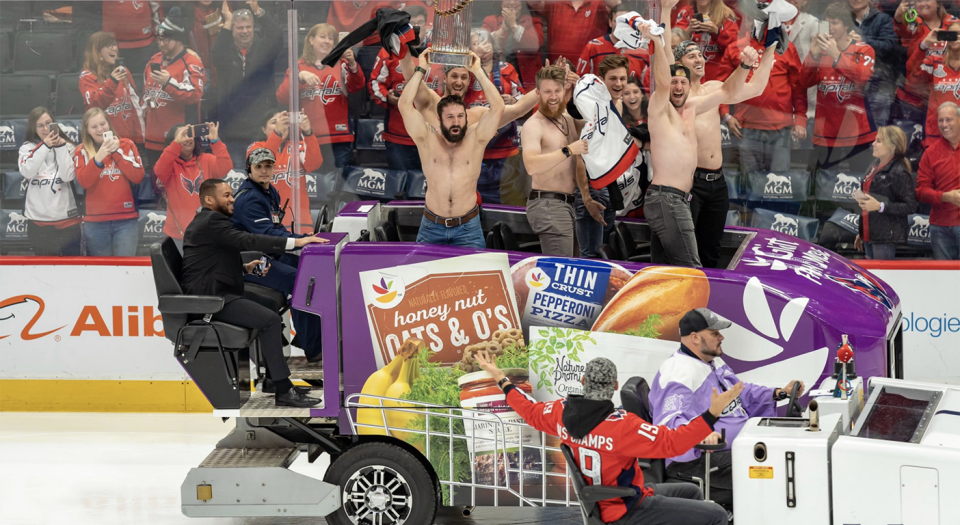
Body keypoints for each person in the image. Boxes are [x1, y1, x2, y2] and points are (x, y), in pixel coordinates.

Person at [473, 350, 736, 525]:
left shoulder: (559, 412)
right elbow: (673, 443)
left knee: (692, 490)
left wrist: (501, 379)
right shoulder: (624, 426)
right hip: (626, 508)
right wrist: (711, 414)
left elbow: (528, 410)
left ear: (584, 380)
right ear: (615, 387)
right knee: (716, 515)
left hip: (604, 500)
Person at [180, 177, 326, 407]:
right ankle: (283, 390)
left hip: (221, 290)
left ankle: (271, 377)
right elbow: (247, 239)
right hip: (214, 299)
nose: (232, 200)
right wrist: (296, 243)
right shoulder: (211, 221)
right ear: (209, 200)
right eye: (226, 196)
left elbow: (210, 260)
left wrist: (243, 268)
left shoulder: (209, 222)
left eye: (232, 194)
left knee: (270, 307)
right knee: (268, 320)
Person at [642, 1, 766, 269]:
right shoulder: (664, 104)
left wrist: (768, 51)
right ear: (677, 67)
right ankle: (677, 310)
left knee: (691, 260)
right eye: (691, 57)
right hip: (673, 193)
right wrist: (663, 14)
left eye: (701, 55)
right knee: (681, 265)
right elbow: (663, 77)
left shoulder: (697, 101)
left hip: (699, 187)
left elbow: (736, 91)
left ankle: (684, 309)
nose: (699, 60)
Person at [649, 308, 805, 514]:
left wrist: (778, 392)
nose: (721, 337)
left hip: (729, 450)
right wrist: (701, 434)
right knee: (776, 468)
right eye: (714, 333)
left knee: (786, 455)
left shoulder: (711, 361)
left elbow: (740, 391)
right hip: (696, 462)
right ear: (695, 337)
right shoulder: (678, 373)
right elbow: (669, 425)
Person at [399, 51, 505, 248]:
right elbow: (404, 105)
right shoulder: (426, 138)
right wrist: (421, 68)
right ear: (439, 119)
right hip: (431, 227)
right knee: (425, 278)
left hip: (468, 229)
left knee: (472, 280)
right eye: (450, 117)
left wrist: (478, 71)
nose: (456, 122)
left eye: (460, 117)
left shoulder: (476, 139)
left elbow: (498, 107)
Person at [231, 148, 325, 363]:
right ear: (249, 169)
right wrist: (299, 241)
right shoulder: (249, 200)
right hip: (249, 260)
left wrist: (302, 237)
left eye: (268, 166)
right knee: (299, 280)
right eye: (258, 167)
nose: (264, 171)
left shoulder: (269, 191)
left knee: (310, 270)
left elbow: (275, 229)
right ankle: (314, 350)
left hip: (268, 253)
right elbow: (265, 235)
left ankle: (307, 336)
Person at [800, 3, 877, 175]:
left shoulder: (864, 49)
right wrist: (813, 55)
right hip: (826, 133)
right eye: (827, 23)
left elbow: (862, 77)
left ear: (847, 24)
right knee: (823, 186)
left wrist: (836, 55)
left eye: (835, 23)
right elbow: (804, 82)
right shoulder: (820, 51)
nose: (830, 28)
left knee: (858, 185)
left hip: (857, 133)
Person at [277, 23, 366, 172]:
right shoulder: (298, 66)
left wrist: (352, 63)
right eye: (322, 37)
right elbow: (282, 97)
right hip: (309, 136)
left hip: (339, 136)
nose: (327, 41)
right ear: (311, 40)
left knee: (336, 185)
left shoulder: (341, 64)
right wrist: (299, 78)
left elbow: (357, 86)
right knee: (314, 185)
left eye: (331, 38)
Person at [716, 33, 807, 174]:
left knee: (778, 184)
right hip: (746, 127)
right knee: (750, 182)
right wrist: (725, 114)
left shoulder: (786, 47)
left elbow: (798, 86)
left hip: (781, 128)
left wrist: (800, 118)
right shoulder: (736, 48)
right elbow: (722, 84)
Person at [522, 65, 587, 256]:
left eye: (557, 91)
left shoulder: (566, 118)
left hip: (569, 204)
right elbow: (531, 165)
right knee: (561, 272)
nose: (553, 97)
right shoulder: (533, 125)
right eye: (547, 91)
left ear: (564, 90)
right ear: (538, 93)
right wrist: (567, 150)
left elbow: (598, 122)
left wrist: (582, 86)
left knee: (572, 270)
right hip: (548, 205)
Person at [369, 7, 441, 171]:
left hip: (434, 135)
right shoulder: (389, 51)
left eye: (420, 23)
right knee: (401, 191)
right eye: (411, 24)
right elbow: (375, 83)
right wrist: (388, 96)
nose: (416, 27)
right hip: (399, 136)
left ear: (427, 25)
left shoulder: (439, 51)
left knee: (433, 189)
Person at [213, 1, 283, 168]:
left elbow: (277, 36)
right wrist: (227, 23)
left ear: (253, 27)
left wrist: (258, 11)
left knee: (259, 176)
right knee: (236, 177)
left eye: (247, 27)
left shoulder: (264, 49)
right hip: (232, 131)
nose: (244, 31)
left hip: (258, 129)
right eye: (239, 28)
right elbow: (215, 54)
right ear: (232, 30)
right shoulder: (225, 51)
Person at [574, 55, 630, 258]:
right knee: (591, 259)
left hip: (607, 189)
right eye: (612, 79)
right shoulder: (593, 109)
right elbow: (581, 156)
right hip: (592, 191)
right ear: (601, 80)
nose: (618, 84)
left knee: (604, 257)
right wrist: (587, 198)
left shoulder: (617, 105)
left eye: (622, 79)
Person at [74, 107, 145, 257]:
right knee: (101, 272)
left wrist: (116, 151)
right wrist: (99, 157)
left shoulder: (127, 145)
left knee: (126, 269)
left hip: (126, 221)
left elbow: (138, 176)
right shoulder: (81, 151)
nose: (100, 129)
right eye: (94, 126)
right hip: (95, 222)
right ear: (87, 131)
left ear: (109, 124)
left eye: (103, 124)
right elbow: (84, 181)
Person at [469, 28, 527, 204]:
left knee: (506, 202)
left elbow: (523, 97)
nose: (483, 47)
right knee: (474, 200)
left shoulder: (507, 69)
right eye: (476, 43)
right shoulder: (465, 71)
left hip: (505, 149)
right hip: (475, 149)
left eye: (486, 42)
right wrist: (474, 61)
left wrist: (513, 100)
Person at [153, 122, 233, 251]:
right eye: (182, 135)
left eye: (190, 134)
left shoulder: (206, 160)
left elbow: (225, 167)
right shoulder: (170, 164)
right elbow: (159, 170)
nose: (187, 138)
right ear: (174, 140)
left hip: (207, 233)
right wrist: (176, 144)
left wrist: (215, 140)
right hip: (178, 236)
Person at [143, 7, 206, 168]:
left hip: (181, 139)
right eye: (159, 39)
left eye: (166, 39)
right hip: (153, 140)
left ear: (178, 39)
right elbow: (145, 93)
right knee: (158, 187)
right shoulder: (153, 61)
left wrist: (168, 82)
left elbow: (194, 95)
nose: (161, 43)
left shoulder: (192, 62)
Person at [245, 110, 322, 233]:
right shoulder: (255, 147)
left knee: (301, 252)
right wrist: (277, 133)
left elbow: (315, 164)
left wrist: (308, 132)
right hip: (267, 219)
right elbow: (263, 161)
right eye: (274, 122)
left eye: (284, 123)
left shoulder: (298, 146)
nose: (280, 126)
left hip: (299, 219)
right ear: (263, 129)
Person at [18, 107, 81, 256]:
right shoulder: (27, 148)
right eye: (40, 125)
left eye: (48, 123)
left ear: (55, 123)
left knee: (72, 270)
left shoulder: (69, 146)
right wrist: (45, 146)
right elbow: (27, 171)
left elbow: (67, 176)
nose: (46, 128)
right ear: (34, 127)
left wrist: (59, 148)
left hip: (68, 221)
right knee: (44, 270)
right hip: (39, 224)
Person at [854, 126, 917, 259]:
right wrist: (862, 231)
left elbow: (911, 206)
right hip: (869, 233)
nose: (873, 144)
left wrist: (880, 206)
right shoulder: (874, 165)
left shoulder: (899, 172)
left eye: (879, 141)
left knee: (881, 276)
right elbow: (868, 202)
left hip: (885, 237)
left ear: (892, 146)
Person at [893, 0, 958, 124]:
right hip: (915, 92)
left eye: (927, 0)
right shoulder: (912, 20)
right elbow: (901, 29)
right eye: (919, 1)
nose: (923, 3)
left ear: (938, 3)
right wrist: (898, 17)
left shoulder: (953, 23)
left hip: (946, 91)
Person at [79, 32, 146, 145]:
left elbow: (135, 105)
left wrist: (139, 137)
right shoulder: (87, 76)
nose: (114, 48)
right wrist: (112, 82)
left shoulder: (123, 71)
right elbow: (95, 106)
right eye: (109, 45)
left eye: (115, 45)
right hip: (104, 143)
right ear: (97, 51)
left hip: (129, 141)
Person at [916, 102, 960, 259]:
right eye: (941, 120)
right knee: (944, 278)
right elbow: (921, 191)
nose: (944, 125)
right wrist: (946, 197)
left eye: (949, 120)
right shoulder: (931, 153)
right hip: (940, 227)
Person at [849, 0, 899, 128]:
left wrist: (864, 41)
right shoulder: (842, 19)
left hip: (878, 83)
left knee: (877, 129)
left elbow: (890, 46)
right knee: (852, 129)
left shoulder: (883, 19)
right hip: (849, 83)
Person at [528, 0, 622, 66]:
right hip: (558, 71)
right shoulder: (556, 2)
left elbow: (618, 6)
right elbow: (532, 2)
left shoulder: (599, 3)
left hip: (589, 72)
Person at [913, 20, 960, 147]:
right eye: (952, 34)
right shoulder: (935, 62)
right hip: (936, 133)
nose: (956, 37)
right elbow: (912, 72)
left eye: (959, 34)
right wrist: (925, 43)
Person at [482, 0, 545, 91]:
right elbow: (483, 46)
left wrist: (513, 26)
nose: (512, 2)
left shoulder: (533, 21)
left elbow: (534, 45)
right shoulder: (490, 21)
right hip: (497, 77)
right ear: (501, 3)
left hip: (527, 80)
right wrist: (503, 30)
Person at [577, 5, 652, 81]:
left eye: (626, 21)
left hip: (630, 92)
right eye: (618, 21)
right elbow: (581, 80)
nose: (622, 25)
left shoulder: (642, 53)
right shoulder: (593, 47)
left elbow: (646, 88)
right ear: (610, 22)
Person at [674, 0, 740, 82]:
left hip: (718, 74)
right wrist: (689, 31)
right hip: (690, 75)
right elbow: (675, 46)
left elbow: (735, 47)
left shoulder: (726, 14)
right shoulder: (685, 13)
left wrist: (717, 32)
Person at [100, 0, 160, 80]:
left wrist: (159, 35)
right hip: (113, 44)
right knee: (117, 81)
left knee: (143, 79)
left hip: (143, 44)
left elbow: (157, 8)